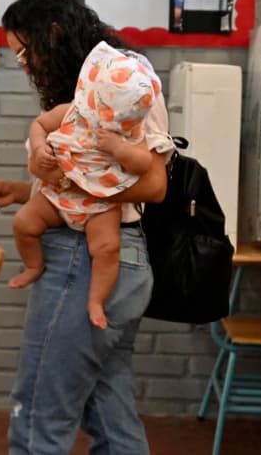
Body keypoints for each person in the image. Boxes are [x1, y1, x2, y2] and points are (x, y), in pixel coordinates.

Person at [0, 0, 174, 455]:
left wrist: (67, 184)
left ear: (52, 35)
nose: (24, 65)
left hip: (89, 258)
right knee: (111, 415)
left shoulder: (123, 86)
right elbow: (77, 179)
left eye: (24, 52)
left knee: (39, 415)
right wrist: (21, 190)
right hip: (106, 257)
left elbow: (154, 186)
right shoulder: (77, 91)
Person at [9, 41, 163, 330]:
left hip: (100, 206)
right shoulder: (72, 111)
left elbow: (143, 164)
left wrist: (119, 148)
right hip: (56, 196)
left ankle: (96, 300)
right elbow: (39, 125)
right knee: (23, 223)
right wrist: (40, 147)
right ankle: (34, 265)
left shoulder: (131, 133)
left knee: (107, 248)